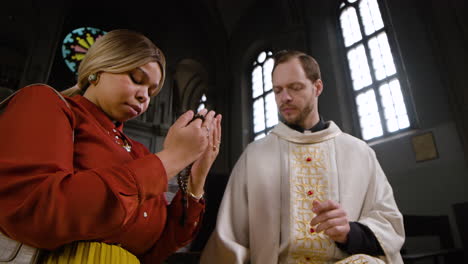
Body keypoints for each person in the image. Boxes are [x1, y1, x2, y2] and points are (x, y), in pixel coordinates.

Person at [0, 29, 222, 264]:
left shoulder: (139, 153)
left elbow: (156, 248)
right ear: (98, 69)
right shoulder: (46, 102)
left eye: (151, 91)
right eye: (137, 79)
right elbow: (36, 213)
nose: (144, 96)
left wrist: (197, 175)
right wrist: (172, 157)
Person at [201, 50, 404, 264]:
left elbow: (389, 225)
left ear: (317, 87)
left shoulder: (359, 152)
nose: (285, 98)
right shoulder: (255, 156)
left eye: (295, 87)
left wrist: (349, 233)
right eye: (278, 90)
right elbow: (229, 238)